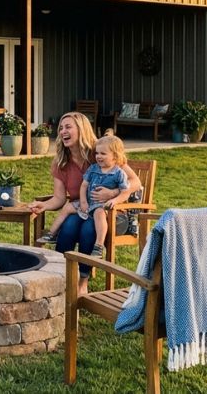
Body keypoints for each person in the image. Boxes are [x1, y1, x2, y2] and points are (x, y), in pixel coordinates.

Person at [29, 112, 140, 296]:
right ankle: (61, 276)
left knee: (88, 229)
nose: (63, 131)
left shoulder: (100, 152)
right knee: (69, 226)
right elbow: (59, 198)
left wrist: (112, 193)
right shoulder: (61, 162)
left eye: (68, 127)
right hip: (80, 209)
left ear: (81, 129)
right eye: (61, 128)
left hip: (108, 212)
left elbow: (135, 181)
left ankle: (82, 281)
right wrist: (44, 205)